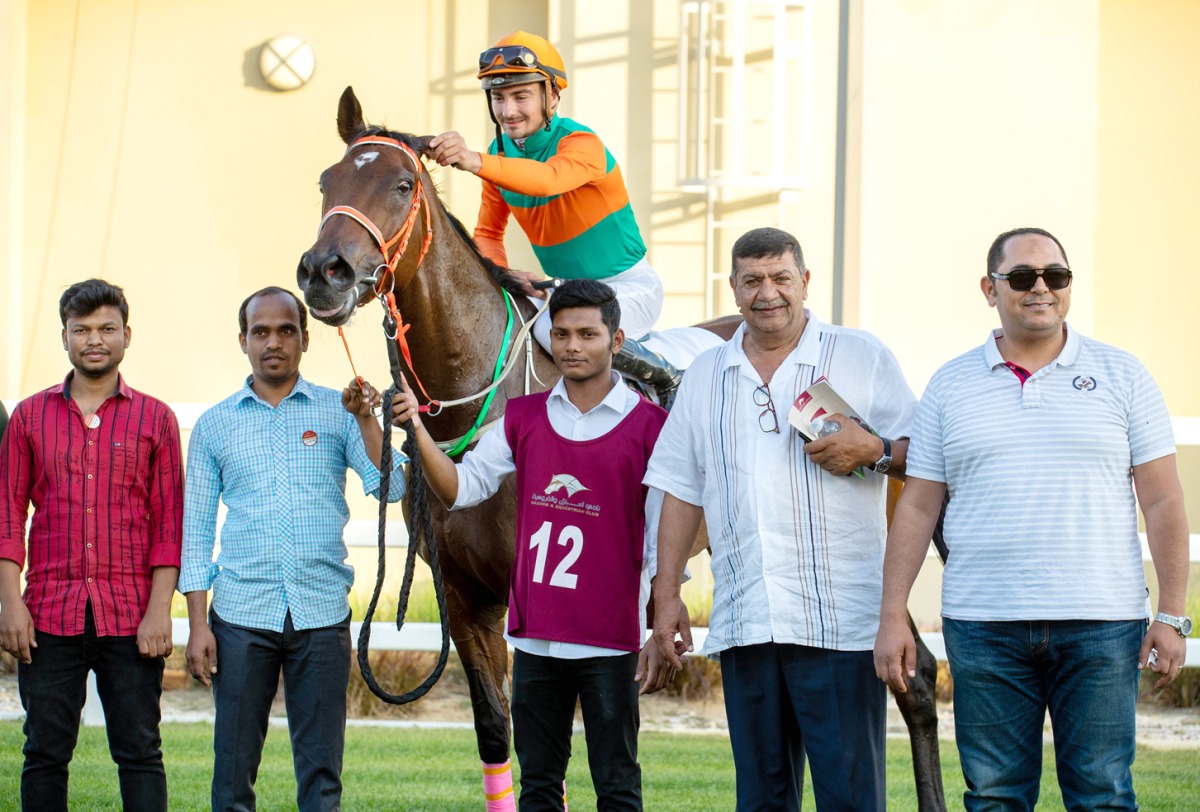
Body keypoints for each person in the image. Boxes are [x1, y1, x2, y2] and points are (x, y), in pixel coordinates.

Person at [874, 227, 1191, 810]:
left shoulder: (1123, 375)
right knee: (995, 798)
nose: (1040, 288)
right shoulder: (951, 384)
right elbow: (918, 506)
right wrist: (893, 614)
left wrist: (1173, 614)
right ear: (989, 289)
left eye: (1056, 276)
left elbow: (1165, 500)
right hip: (983, 624)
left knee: (1102, 796)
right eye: (1022, 277)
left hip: (1102, 622)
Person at [646, 227, 918, 811]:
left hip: (840, 625)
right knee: (762, 800)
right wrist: (665, 592)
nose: (767, 293)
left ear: (805, 282)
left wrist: (874, 450)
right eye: (753, 281)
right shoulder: (705, 374)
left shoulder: (860, 355)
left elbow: (924, 456)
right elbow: (677, 486)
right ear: (735, 289)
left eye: (780, 278)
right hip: (747, 621)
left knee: (850, 799)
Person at [392, 278, 674, 812]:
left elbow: (661, 539)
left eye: (588, 334)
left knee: (617, 786)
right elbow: (460, 487)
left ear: (616, 342)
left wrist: (658, 622)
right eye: (561, 334)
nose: (572, 346)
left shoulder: (651, 427)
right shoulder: (520, 418)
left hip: (610, 640)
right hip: (537, 639)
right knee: (539, 787)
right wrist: (418, 432)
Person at [180, 286, 405, 812]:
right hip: (239, 617)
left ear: (305, 339)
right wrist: (196, 625)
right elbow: (194, 532)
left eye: (286, 330)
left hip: (321, 614)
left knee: (322, 776)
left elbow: (392, 488)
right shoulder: (216, 424)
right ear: (243, 341)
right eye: (261, 332)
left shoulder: (340, 410)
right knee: (232, 774)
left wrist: (367, 418)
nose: (273, 342)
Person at [0, 279, 183, 811]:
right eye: (81, 330)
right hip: (47, 616)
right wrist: (10, 604)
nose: (94, 340)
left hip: (130, 617)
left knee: (141, 752)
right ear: (64, 337)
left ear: (127, 334)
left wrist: (158, 613)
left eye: (106, 328)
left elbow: (169, 526)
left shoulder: (157, 420)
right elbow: (9, 514)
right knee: (44, 754)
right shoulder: (29, 418)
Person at [426, 31, 681, 407]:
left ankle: (666, 376)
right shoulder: (500, 155)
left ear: (553, 96)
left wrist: (474, 161)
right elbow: (488, 234)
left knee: (571, 328)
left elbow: (548, 180)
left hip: (629, 287)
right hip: (566, 292)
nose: (508, 110)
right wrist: (505, 277)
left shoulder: (582, 144)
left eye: (521, 96)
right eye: (498, 98)